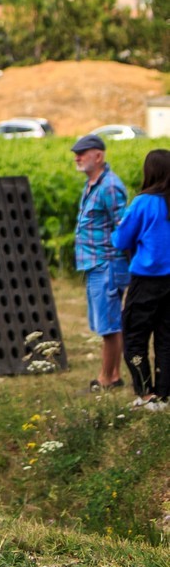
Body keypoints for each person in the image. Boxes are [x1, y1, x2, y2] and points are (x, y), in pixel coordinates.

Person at [112, 149, 170, 408]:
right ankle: (165, 395)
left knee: (135, 336)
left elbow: (121, 240)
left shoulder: (144, 202)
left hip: (147, 281)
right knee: (167, 338)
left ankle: (146, 394)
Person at [73, 133, 129, 392]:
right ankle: (113, 374)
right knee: (107, 323)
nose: (77, 157)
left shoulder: (109, 186)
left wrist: (118, 259)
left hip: (107, 263)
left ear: (99, 155)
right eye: (76, 153)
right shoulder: (93, 184)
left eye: (82, 152)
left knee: (108, 325)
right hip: (96, 264)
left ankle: (107, 379)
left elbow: (123, 228)